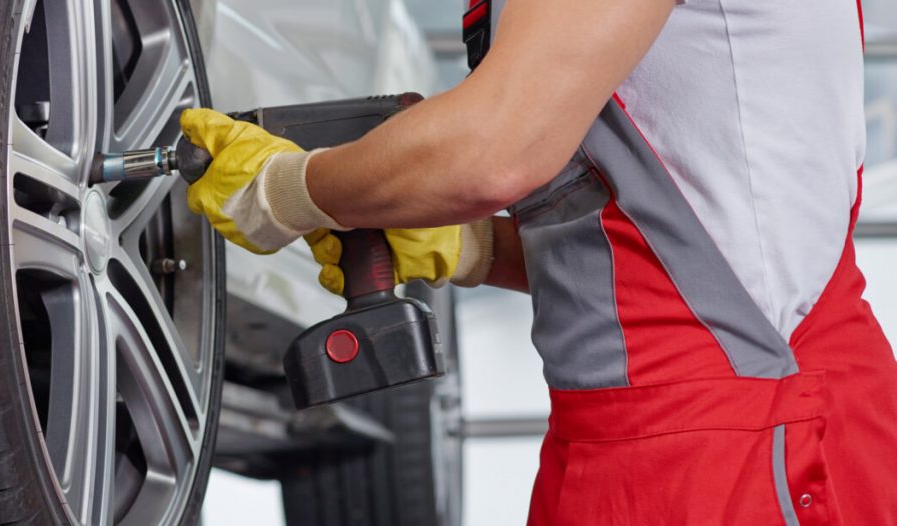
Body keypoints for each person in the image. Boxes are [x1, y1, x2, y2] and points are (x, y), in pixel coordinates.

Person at [180, 0, 897, 523]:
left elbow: (498, 149)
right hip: (650, 436)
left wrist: (291, 190)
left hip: (742, 444)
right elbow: (692, 231)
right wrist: (480, 248)